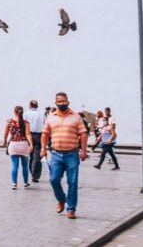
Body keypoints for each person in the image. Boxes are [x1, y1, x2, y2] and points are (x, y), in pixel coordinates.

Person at [42, 91, 87, 219]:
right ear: (56, 103)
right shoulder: (51, 117)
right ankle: (61, 199)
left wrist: (83, 151)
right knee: (54, 179)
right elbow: (45, 134)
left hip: (72, 154)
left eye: (64, 101)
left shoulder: (76, 116)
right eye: (59, 101)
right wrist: (43, 149)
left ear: (68, 102)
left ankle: (71, 208)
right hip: (56, 154)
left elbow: (83, 133)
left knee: (72, 182)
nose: (62, 103)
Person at [26, 99, 46, 183]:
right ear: (37, 106)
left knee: (30, 156)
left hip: (28, 135)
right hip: (39, 135)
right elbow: (45, 126)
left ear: (30, 105)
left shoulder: (26, 114)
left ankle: (32, 172)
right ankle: (35, 175)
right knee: (37, 156)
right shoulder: (41, 115)